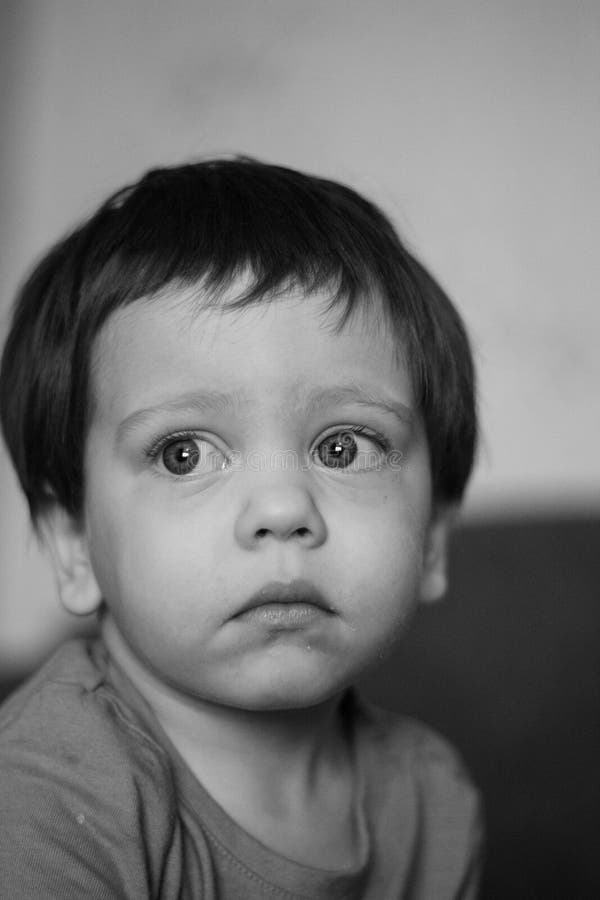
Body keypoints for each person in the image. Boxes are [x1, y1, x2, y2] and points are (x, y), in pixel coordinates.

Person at [0, 157, 481, 898]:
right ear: (74, 543)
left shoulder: (434, 800)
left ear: (434, 538)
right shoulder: (42, 802)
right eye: (184, 454)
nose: (282, 510)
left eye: (343, 448)